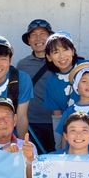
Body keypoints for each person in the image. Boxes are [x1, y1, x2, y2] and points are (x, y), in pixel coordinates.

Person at [42, 31, 89, 149]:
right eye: (55, 52)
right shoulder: (52, 82)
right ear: (49, 57)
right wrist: (59, 148)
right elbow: (57, 118)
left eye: (65, 49)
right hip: (75, 141)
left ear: (73, 51)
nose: (62, 56)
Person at [16, 19, 56, 153]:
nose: (38, 38)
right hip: (30, 123)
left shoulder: (60, 61)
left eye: (43, 34)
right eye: (33, 35)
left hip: (57, 122)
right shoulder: (22, 65)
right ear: (28, 40)